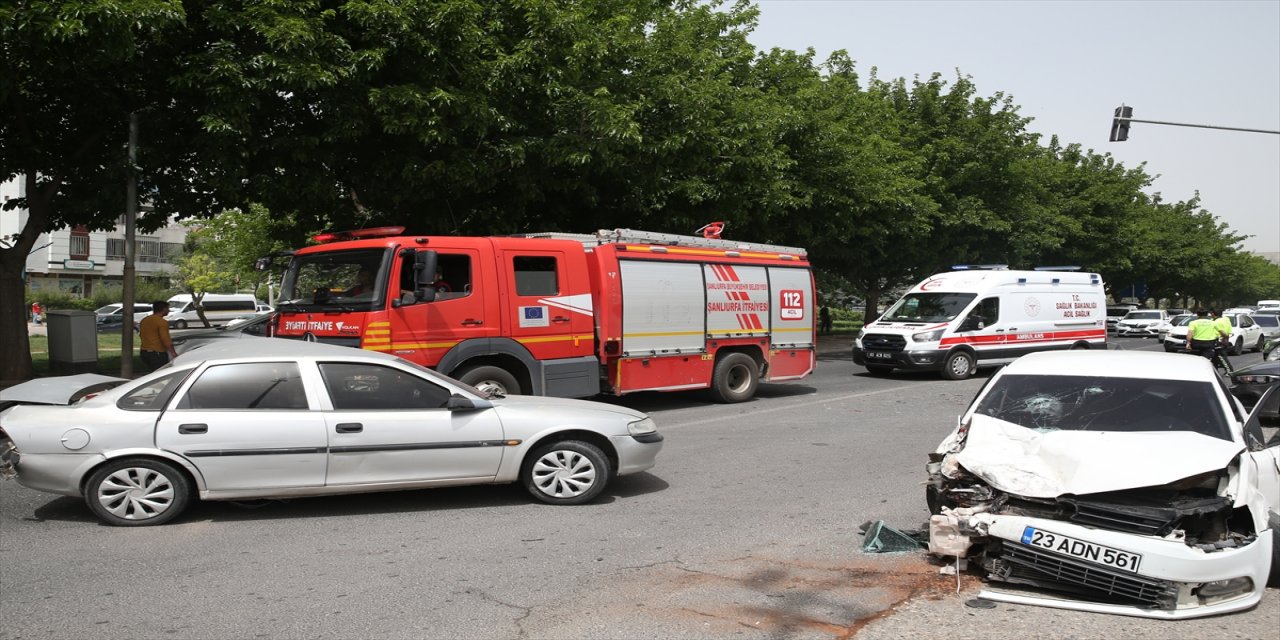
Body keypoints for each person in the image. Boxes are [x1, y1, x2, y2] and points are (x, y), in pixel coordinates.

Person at [139, 301, 177, 372]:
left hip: (144, 352)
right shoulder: (162, 322)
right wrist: (173, 353)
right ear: (164, 309)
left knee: (152, 373)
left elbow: (141, 334)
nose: (169, 310)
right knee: (160, 373)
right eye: (168, 308)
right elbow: (165, 338)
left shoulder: (144, 320)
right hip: (157, 353)